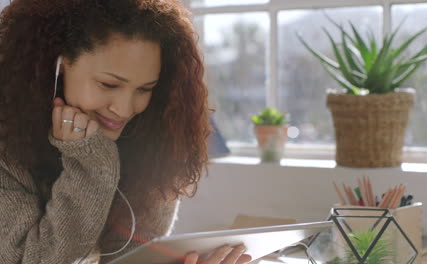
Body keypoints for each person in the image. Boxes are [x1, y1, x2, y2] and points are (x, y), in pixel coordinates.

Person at [0, 0, 251, 263]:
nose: (123, 109)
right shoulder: (6, 152)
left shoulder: (152, 141)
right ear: (58, 66)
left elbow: (128, 259)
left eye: (145, 89)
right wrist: (92, 164)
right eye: (109, 84)